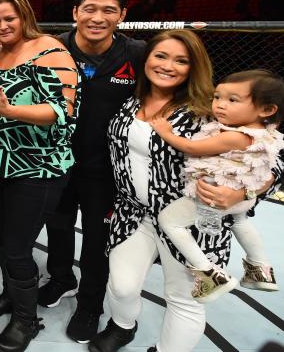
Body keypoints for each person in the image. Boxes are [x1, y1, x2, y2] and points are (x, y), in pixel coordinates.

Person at [89, 30, 278, 352]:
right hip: (133, 213)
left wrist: (246, 193)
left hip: (191, 221)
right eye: (161, 56)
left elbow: (269, 155)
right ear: (146, 59)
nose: (168, 66)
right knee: (121, 287)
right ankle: (122, 326)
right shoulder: (129, 99)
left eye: (181, 60)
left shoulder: (212, 110)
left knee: (185, 298)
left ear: (194, 67)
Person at [0, 0, 78, 352]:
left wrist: (10, 112)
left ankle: (26, 320)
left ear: (25, 18)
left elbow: (62, 111)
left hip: (39, 168)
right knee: (6, 242)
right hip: (1, 166)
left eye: (9, 18)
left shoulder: (48, 49)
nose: (2, 26)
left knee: (16, 248)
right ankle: (14, 299)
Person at [41, 0, 145, 344]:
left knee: (98, 239)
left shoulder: (137, 54)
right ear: (75, 12)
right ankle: (61, 278)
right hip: (58, 161)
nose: (98, 17)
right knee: (57, 225)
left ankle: (89, 306)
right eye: (90, 9)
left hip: (108, 172)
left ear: (122, 15)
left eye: (108, 10)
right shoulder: (53, 49)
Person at [151, 70, 284, 301]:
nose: (220, 105)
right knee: (240, 222)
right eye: (217, 97)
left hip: (213, 194)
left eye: (232, 100)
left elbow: (191, 148)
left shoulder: (236, 136)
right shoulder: (264, 132)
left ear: (266, 110)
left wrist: (166, 132)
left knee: (170, 222)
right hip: (243, 197)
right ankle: (260, 269)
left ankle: (209, 274)